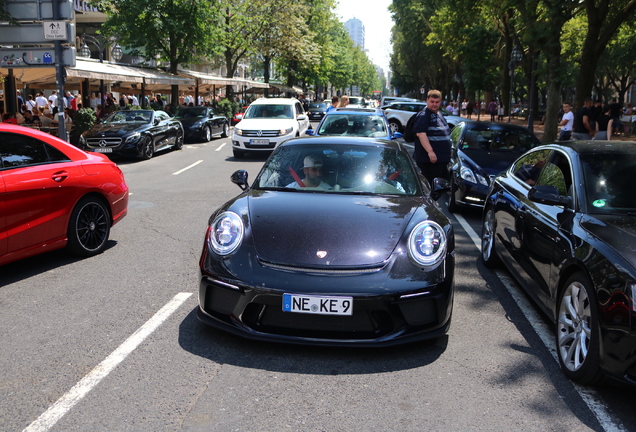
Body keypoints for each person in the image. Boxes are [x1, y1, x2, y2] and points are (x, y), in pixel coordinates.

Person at [412, 89, 452, 187]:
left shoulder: (438, 114)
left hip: (441, 158)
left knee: (445, 184)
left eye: (437, 102)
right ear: (427, 100)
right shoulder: (424, 115)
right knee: (432, 186)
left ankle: (433, 200)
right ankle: (430, 201)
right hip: (430, 159)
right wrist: (430, 152)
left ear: (440, 102)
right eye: (432, 102)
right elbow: (421, 134)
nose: (434, 104)